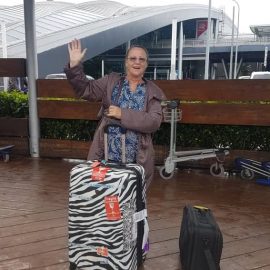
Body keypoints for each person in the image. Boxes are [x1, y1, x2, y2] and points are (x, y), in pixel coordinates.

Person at [64, 39, 166, 188]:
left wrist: (122, 114)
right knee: (103, 197)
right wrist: (74, 67)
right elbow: (87, 90)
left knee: (130, 201)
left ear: (146, 64)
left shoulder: (152, 91)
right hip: (105, 155)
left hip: (136, 161)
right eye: (132, 58)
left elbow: (153, 122)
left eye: (141, 59)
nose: (137, 62)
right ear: (126, 62)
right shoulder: (111, 82)